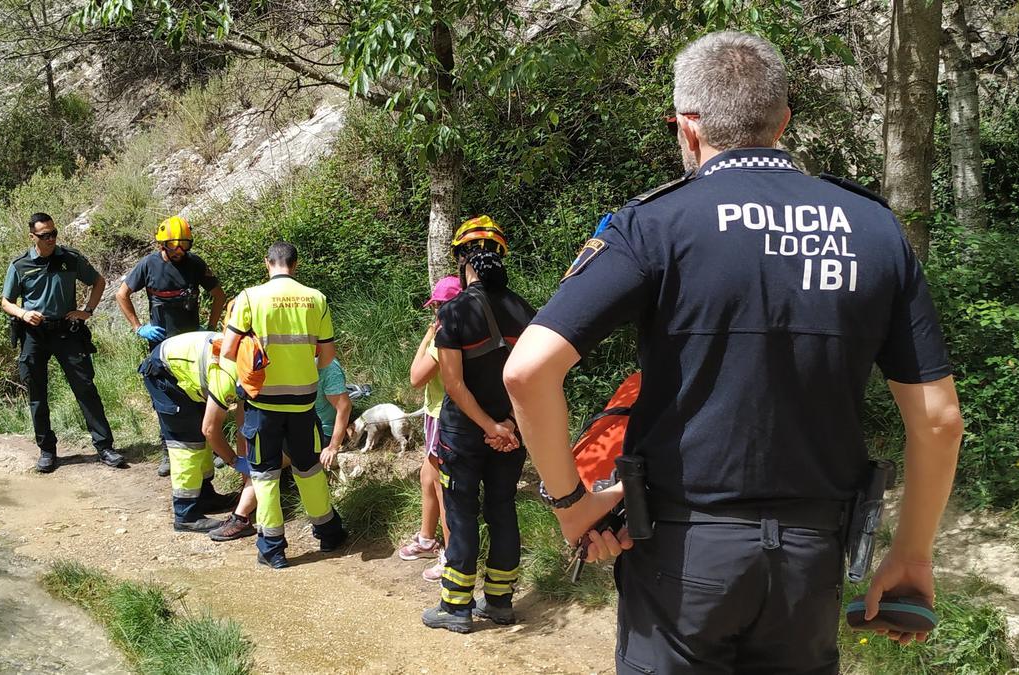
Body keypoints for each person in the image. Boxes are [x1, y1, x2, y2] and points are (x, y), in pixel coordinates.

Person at [504, 31, 963, 673]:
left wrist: (571, 506)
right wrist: (912, 552)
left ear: (687, 127)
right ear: (784, 119)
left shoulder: (655, 224)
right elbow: (939, 421)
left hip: (683, 554)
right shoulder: (874, 228)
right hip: (811, 559)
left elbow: (527, 371)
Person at [421, 217, 537, 634]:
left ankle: (456, 607)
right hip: (513, 430)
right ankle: (501, 601)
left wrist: (488, 424)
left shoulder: (453, 311)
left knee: (463, 512)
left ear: (462, 261)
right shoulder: (526, 311)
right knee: (503, 509)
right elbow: (537, 376)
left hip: (463, 434)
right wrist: (506, 425)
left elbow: (452, 382)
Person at [219, 242, 348, 569]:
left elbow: (229, 351)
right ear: (296, 264)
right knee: (309, 469)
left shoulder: (249, 298)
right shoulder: (316, 298)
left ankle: (273, 550)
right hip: (304, 405)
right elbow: (327, 357)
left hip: (263, 405)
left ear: (268, 264)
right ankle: (329, 531)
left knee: (264, 474)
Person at [1, 213, 125, 473]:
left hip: (67, 332)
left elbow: (98, 281)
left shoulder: (70, 258)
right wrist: (23, 313)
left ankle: (105, 447)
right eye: (44, 235)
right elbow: (5, 302)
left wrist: (87, 311)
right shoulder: (20, 265)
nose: (50, 239)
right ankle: (47, 450)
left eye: (53, 233)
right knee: (37, 394)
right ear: (32, 237)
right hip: (34, 334)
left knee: (85, 388)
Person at [117, 215, 226, 477]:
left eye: (185, 246)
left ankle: (210, 448)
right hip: (161, 345)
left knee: (200, 394)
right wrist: (138, 327)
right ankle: (168, 451)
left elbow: (219, 295)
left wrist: (209, 328)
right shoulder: (148, 266)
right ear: (162, 245)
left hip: (193, 345)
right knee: (165, 401)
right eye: (175, 246)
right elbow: (121, 294)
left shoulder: (195, 264)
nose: (181, 252)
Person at [138, 331, 245, 531]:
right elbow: (210, 430)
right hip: (165, 374)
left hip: (187, 371)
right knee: (186, 443)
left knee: (199, 439)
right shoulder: (228, 377)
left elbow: (242, 426)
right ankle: (185, 514)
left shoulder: (248, 363)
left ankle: (204, 496)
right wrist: (235, 461)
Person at [398, 275, 462, 582]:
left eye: (436, 306)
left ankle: (451, 556)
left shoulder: (444, 336)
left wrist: (427, 337)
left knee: (442, 485)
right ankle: (426, 539)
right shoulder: (466, 329)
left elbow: (415, 377)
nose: (433, 313)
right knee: (427, 475)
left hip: (443, 417)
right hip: (437, 413)